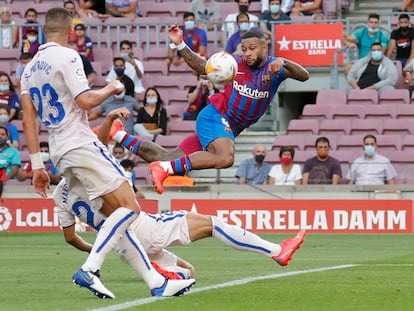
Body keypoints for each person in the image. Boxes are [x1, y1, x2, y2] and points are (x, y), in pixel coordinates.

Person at [20, 7, 195, 299]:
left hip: (60, 153)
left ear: (45, 30)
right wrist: (112, 87)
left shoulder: (29, 69)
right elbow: (86, 100)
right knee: (130, 208)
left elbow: (27, 119)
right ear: (69, 30)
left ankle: (156, 281)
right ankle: (90, 268)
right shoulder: (68, 56)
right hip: (79, 143)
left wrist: (38, 165)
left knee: (117, 216)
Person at [112, 28, 309, 194]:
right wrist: (180, 44)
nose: (247, 53)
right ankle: (165, 169)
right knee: (225, 158)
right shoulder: (234, 63)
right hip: (216, 116)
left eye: (252, 48)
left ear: (264, 48)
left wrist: (285, 62)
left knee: (165, 157)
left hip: (225, 129)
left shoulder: (274, 68)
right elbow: (202, 66)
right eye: (244, 49)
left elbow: (304, 76)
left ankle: (119, 134)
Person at [54, 175, 306, 279]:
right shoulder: (90, 177)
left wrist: (97, 250)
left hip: (123, 247)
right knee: (212, 224)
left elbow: (70, 237)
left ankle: (167, 272)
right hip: (142, 228)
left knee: (189, 271)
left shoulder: (60, 195)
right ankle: (275, 250)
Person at [0, 126, 20, 196]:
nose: (0, 136)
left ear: (7, 136)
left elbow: (15, 170)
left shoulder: (14, 151)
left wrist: (4, 180)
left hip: (8, 182)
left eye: (3, 134)